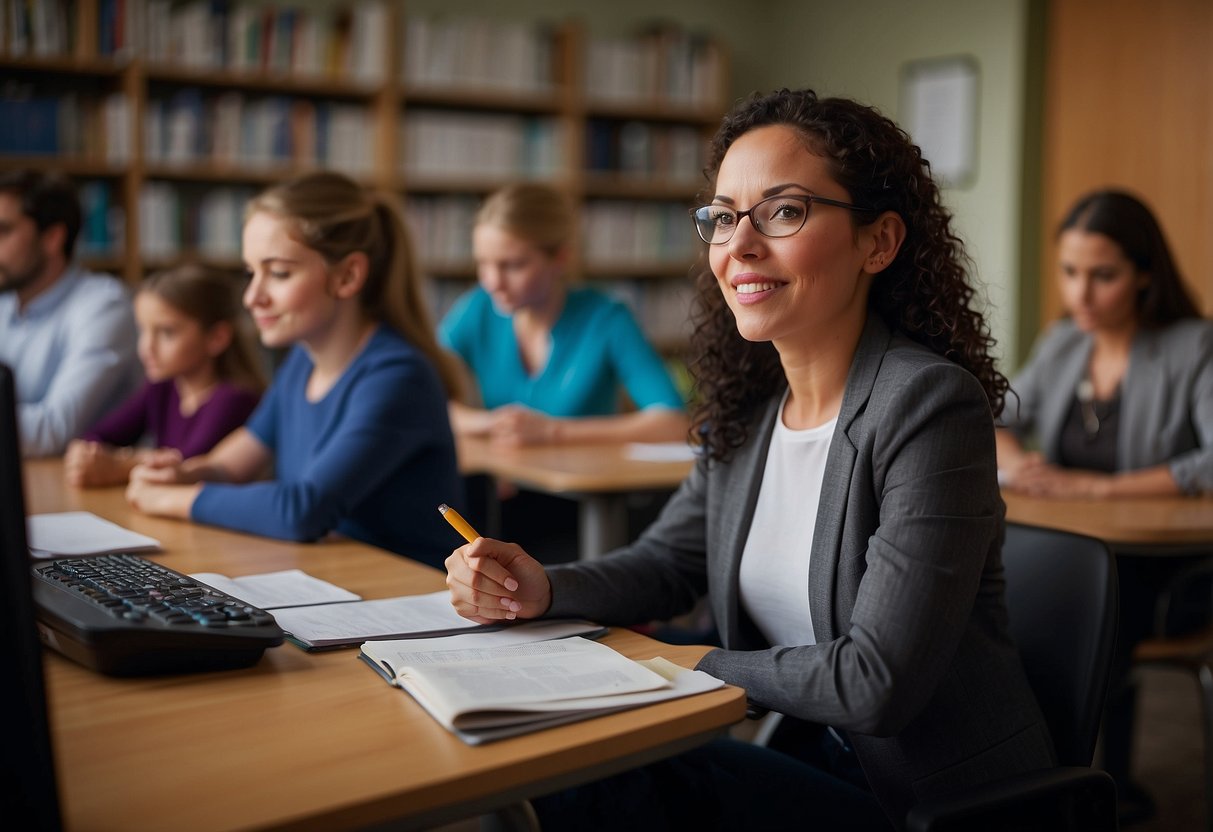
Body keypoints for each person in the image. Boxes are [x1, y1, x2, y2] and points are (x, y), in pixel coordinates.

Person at [444, 88, 1055, 831]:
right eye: (723, 216)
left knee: (602, 764)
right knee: (583, 750)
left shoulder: (926, 405)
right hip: (811, 756)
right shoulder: (751, 408)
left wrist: (677, 663)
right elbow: (668, 563)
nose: (739, 245)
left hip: (923, 801)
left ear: (879, 242)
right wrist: (541, 588)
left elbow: (875, 683)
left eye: (784, 211)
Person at [996, 188, 1213, 823]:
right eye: (1070, 273)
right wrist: (1017, 462)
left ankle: (1075, 790)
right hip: (1073, 550)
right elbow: (992, 412)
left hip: (1167, 569)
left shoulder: (1193, 345)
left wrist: (1098, 489)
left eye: (1103, 276)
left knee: (1079, 608)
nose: (1080, 296)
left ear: (1146, 274)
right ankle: (1026, 778)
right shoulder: (1065, 341)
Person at [124, 171, 464, 568]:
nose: (252, 297)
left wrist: (168, 499)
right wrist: (181, 475)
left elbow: (302, 510)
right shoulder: (302, 361)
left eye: (279, 273)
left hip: (409, 596)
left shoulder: (397, 376)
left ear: (348, 276)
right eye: (252, 272)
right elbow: (233, 462)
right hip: (331, 576)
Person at [439, 182, 689, 446]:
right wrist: (492, 423)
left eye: (512, 265)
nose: (492, 282)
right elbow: (416, 392)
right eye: (483, 263)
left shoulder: (606, 319)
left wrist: (552, 432)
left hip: (584, 484)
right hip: (503, 481)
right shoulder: (477, 309)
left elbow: (672, 422)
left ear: (560, 258)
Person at [64, 262, 266, 488]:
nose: (147, 347)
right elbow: (97, 436)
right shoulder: (161, 388)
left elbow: (186, 468)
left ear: (216, 338)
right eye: (143, 330)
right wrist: (86, 455)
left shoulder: (234, 399)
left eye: (166, 332)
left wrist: (120, 464)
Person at [0, 168, 143, 457]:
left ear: (52, 237)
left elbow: (54, 430)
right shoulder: (4, 307)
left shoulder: (103, 306)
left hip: (92, 493)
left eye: (3, 231)